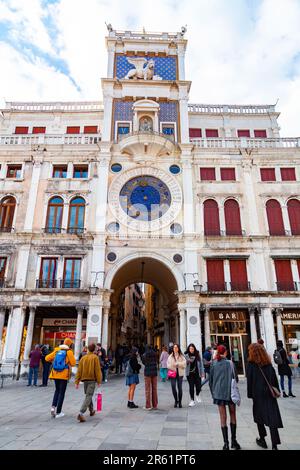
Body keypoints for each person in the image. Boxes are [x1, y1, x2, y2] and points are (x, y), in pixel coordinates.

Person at [247, 343, 283, 450]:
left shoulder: (251, 365)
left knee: (259, 417)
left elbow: (250, 381)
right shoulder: (268, 365)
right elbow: (274, 381)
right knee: (272, 419)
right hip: (269, 395)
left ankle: (262, 439)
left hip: (258, 395)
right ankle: (274, 445)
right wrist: (276, 391)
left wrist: (250, 395)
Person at [209, 345, 241, 450]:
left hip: (219, 394)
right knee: (233, 415)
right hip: (230, 393)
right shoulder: (231, 363)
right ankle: (234, 441)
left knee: (223, 418)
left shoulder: (214, 364)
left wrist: (213, 393)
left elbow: (211, 381)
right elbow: (236, 378)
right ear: (226, 352)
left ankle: (226, 443)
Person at [45, 337, 76, 418]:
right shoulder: (69, 352)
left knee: (57, 390)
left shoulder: (57, 350)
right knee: (62, 393)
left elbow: (46, 358)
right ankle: (58, 412)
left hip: (55, 373)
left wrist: (54, 361)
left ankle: (53, 407)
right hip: (63, 374)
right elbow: (73, 363)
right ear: (69, 344)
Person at [75, 343, 102, 422]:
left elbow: (79, 371)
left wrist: (77, 381)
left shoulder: (83, 358)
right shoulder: (95, 357)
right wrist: (99, 381)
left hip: (84, 380)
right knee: (89, 396)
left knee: (88, 395)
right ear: (94, 349)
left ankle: (91, 411)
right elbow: (97, 370)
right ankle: (81, 413)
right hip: (91, 380)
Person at [167, 344, 186, 408]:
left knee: (180, 388)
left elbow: (184, 364)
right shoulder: (170, 356)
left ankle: (180, 402)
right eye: (174, 347)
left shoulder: (181, 356)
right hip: (173, 373)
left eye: (176, 347)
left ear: (178, 348)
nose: (175, 348)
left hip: (180, 374)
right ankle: (176, 400)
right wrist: (173, 365)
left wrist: (178, 364)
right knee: (173, 386)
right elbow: (168, 365)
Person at [142, 345, 158, 410]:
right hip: (154, 372)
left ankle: (148, 405)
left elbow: (143, 362)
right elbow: (156, 361)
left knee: (147, 389)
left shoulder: (144, 354)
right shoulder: (155, 354)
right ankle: (155, 405)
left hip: (147, 373)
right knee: (154, 389)